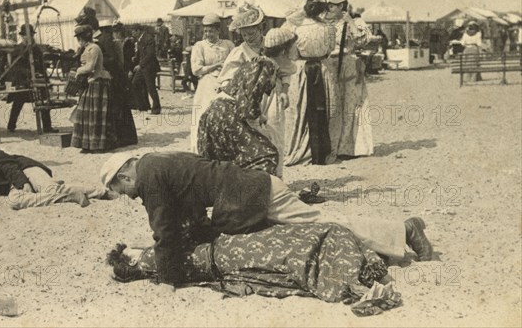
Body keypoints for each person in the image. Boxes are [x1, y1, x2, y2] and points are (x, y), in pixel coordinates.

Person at [100, 151, 434, 286]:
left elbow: (164, 231)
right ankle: (391, 239)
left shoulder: (148, 180)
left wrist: (170, 278)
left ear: (125, 178)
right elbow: (192, 204)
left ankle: (402, 231)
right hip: (254, 188)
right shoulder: (159, 162)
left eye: (123, 191)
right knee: (321, 224)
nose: (131, 196)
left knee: (325, 223)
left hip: (256, 195)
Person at [106, 222, 402, 315]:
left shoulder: (152, 256)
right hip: (228, 255)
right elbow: (163, 252)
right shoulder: (150, 261)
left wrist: (132, 246)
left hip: (228, 249)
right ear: (131, 262)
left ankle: (362, 270)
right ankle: (360, 279)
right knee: (293, 249)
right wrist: (131, 255)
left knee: (298, 239)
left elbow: (165, 242)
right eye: (129, 254)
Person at [0, 133, 107, 209]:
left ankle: (101, 192)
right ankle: (74, 195)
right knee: (16, 202)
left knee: (49, 190)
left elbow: (7, 163)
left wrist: (22, 183)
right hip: (12, 185)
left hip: (26, 169)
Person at [282, 0, 337, 166]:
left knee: (301, 110)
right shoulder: (329, 29)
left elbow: (292, 55)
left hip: (303, 71)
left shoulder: (296, 29)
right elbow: (329, 50)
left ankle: (301, 147)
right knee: (324, 109)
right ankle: (323, 152)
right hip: (322, 70)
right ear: (322, 10)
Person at [198, 58, 280, 175]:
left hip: (215, 110)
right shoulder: (264, 71)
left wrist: (259, 116)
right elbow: (249, 110)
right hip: (226, 115)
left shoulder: (251, 67)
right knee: (267, 154)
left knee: (221, 160)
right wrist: (262, 131)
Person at [325, 0, 374, 160]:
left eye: (333, 5)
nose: (329, 8)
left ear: (342, 7)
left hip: (348, 64)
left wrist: (351, 22)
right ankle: (331, 145)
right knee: (332, 105)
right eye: (328, 5)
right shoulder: (326, 23)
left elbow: (363, 41)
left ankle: (347, 147)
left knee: (349, 105)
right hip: (329, 65)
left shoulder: (355, 22)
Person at [188, 13, 234, 153]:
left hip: (225, 83)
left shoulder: (228, 45)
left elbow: (235, 64)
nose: (208, 34)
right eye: (206, 31)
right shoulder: (200, 46)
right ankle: (201, 148)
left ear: (218, 30)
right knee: (203, 113)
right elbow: (196, 70)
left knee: (225, 115)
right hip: (206, 84)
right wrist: (215, 66)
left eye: (211, 31)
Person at [70, 25, 116, 153]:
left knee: (96, 115)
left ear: (83, 38)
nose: (78, 41)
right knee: (85, 114)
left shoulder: (94, 48)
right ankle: (86, 144)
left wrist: (77, 71)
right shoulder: (85, 49)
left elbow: (90, 67)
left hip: (97, 83)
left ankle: (97, 145)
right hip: (90, 83)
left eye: (79, 38)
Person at [6, 24, 58, 134]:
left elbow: (42, 67)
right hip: (23, 81)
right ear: (23, 36)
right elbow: (16, 69)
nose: (30, 38)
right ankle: (11, 125)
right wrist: (30, 73)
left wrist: (46, 82)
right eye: (27, 36)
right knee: (18, 103)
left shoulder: (36, 49)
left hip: (37, 81)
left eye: (31, 35)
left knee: (44, 101)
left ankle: (47, 127)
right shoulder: (17, 50)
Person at [261, 28, 297, 177]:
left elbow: (286, 74)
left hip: (276, 96)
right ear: (283, 51)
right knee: (267, 136)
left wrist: (284, 90)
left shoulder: (282, 63)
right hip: (263, 98)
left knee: (277, 136)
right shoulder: (263, 63)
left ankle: (277, 176)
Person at [217, 3, 265, 88]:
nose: (248, 38)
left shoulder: (270, 44)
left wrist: (284, 89)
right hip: (249, 91)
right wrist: (225, 86)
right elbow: (228, 74)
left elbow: (284, 70)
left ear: (260, 29)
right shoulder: (240, 51)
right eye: (244, 35)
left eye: (251, 34)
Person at [110, 21, 138, 146]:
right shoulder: (125, 42)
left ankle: (126, 136)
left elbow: (128, 59)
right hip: (124, 74)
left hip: (123, 74)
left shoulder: (125, 43)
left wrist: (129, 71)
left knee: (122, 106)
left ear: (117, 33)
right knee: (124, 106)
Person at [131, 25, 161, 115]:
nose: (132, 33)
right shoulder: (140, 39)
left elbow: (150, 54)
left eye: (133, 31)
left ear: (138, 30)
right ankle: (143, 106)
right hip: (143, 67)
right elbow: (141, 53)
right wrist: (135, 58)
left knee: (151, 88)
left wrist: (140, 64)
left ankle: (156, 108)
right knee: (135, 83)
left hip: (149, 67)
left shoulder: (148, 38)